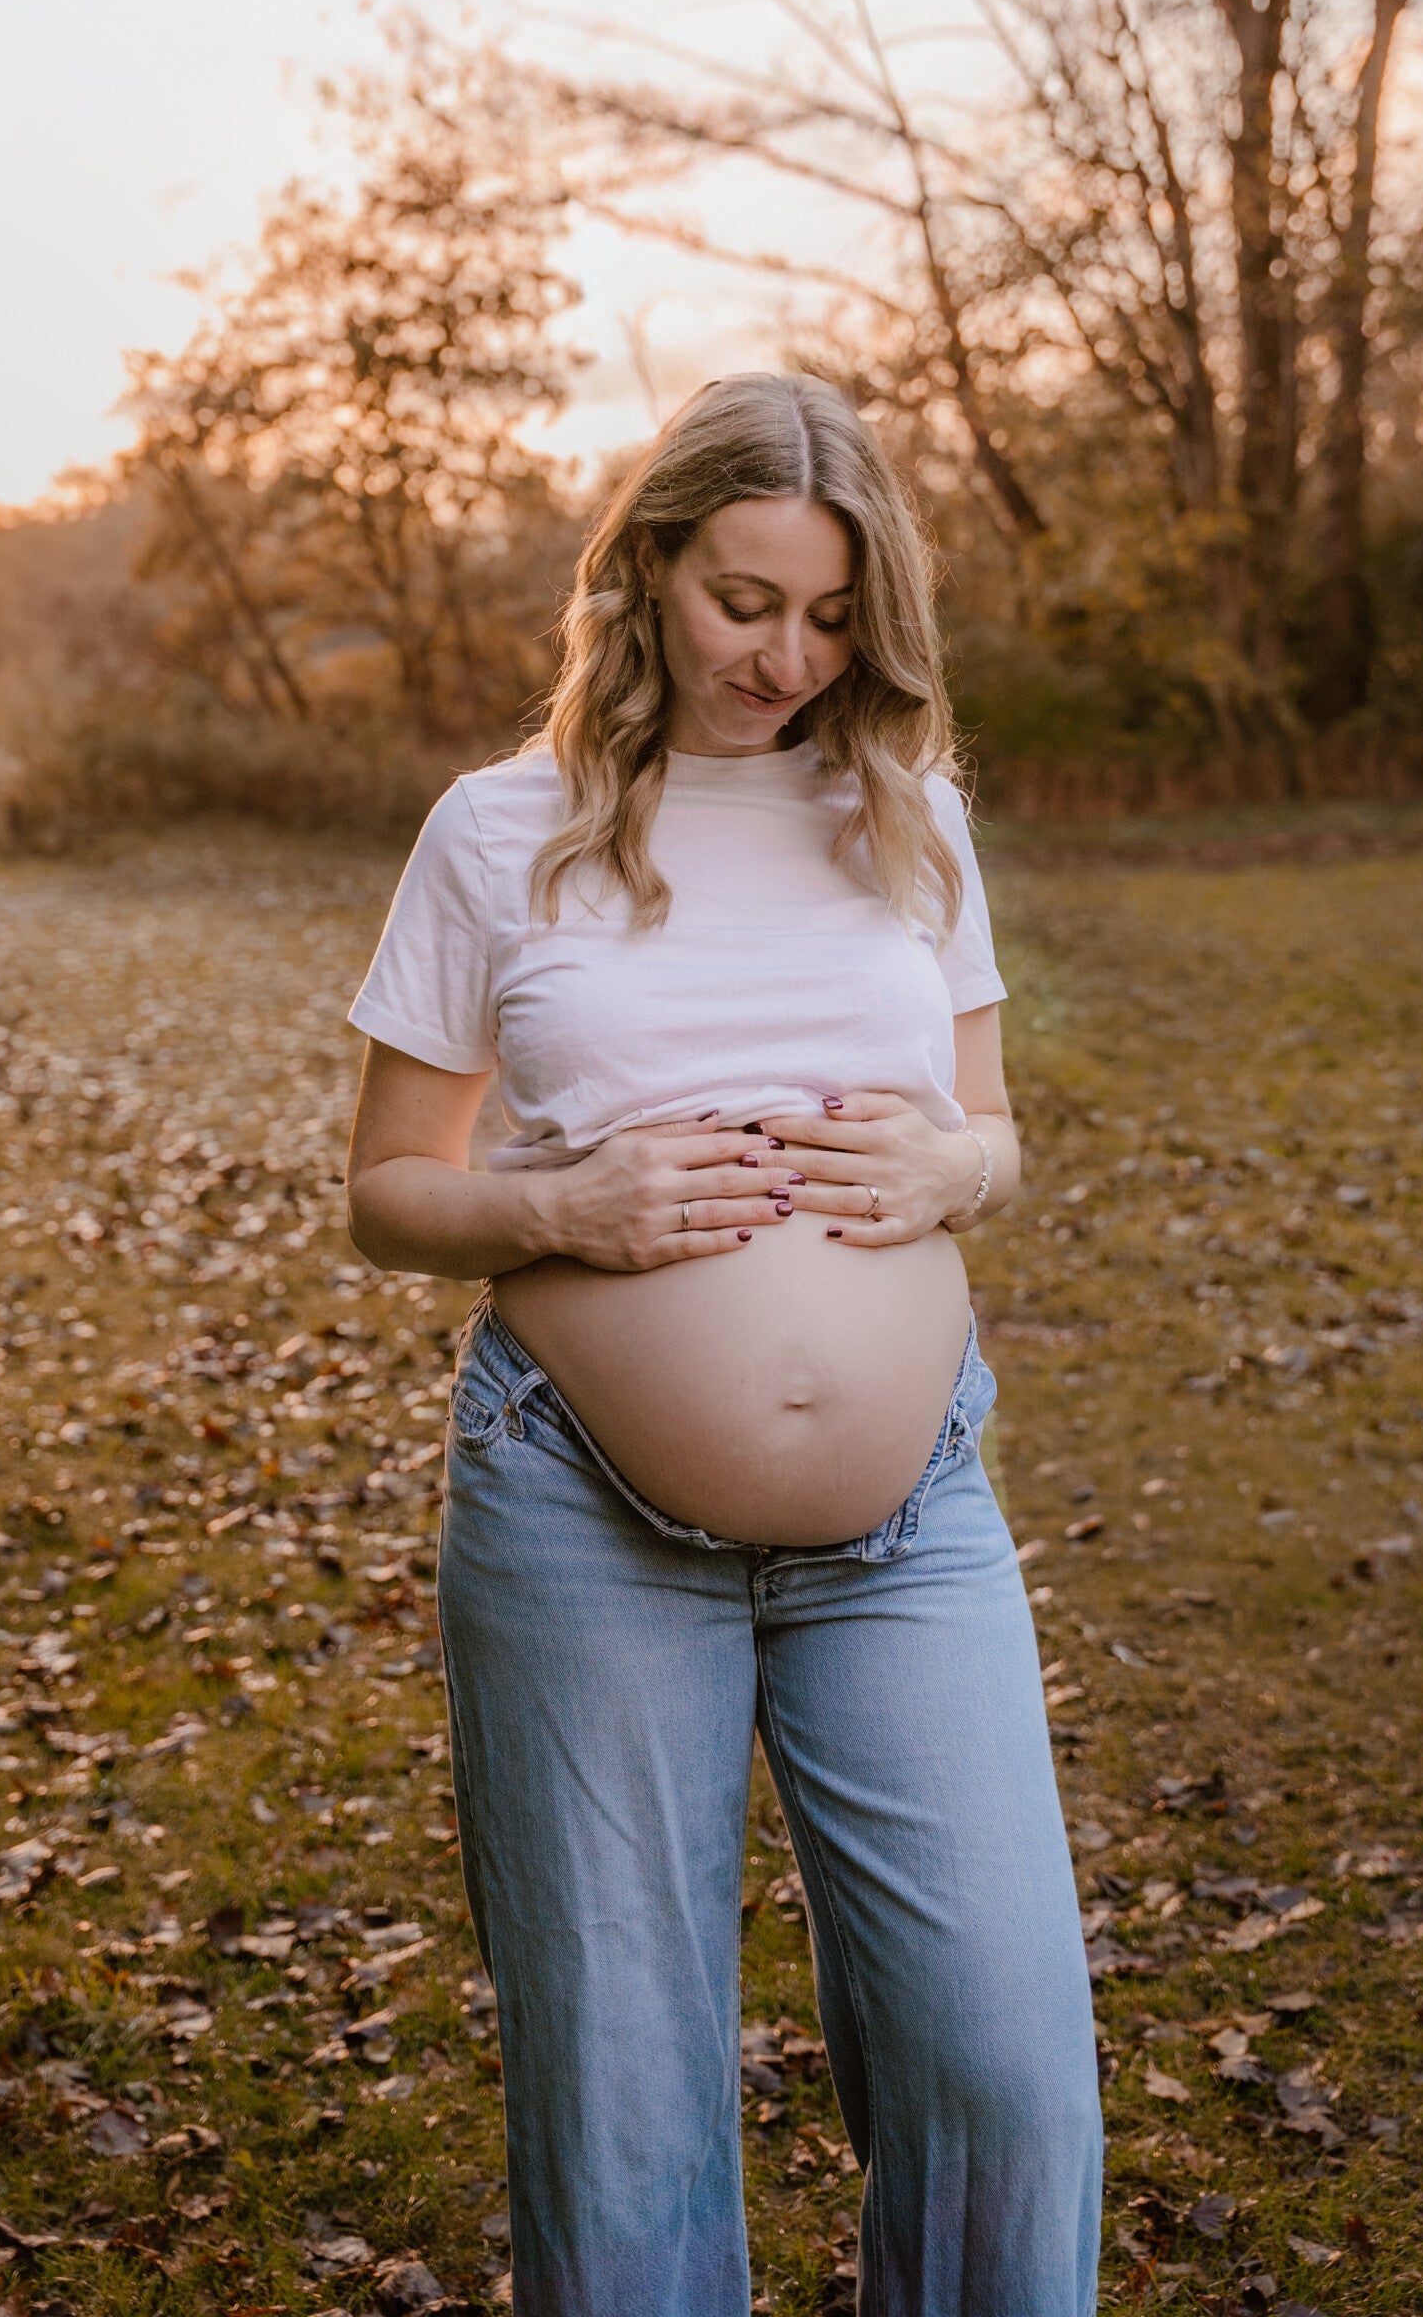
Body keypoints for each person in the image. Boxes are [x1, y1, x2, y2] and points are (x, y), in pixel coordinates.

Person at [345, 374, 1101, 2316]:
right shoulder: (500, 830)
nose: (790, 655)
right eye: (748, 599)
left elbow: (988, 1132)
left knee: (1005, 2063)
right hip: (579, 1516)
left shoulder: (909, 814)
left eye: (835, 615)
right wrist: (559, 1207)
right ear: (651, 567)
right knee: (623, 2103)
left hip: (909, 1513)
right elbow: (387, 1190)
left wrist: (957, 1161)